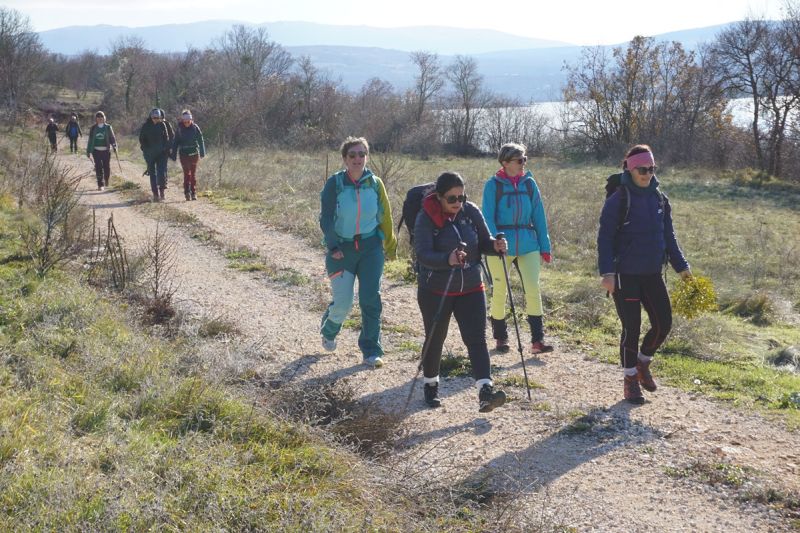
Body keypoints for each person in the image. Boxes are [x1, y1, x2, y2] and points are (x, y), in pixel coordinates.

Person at [597, 144, 691, 404]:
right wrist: (607, 273)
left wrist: (682, 268)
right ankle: (630, 380)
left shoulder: (660, 199)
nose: (648, 174)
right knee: (632, 327)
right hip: (624, 275)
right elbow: (605, 238)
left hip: (652, 273)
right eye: (642, 169)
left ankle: (642, 362)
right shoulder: (619, 199)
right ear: (630, 169)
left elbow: (669, 236)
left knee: (663, 323)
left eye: (652, 169)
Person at [415, 172, 508, 412]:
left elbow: (484, 242)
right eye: (452, 198)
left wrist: (495, 246)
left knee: (476, 339)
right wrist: (448, 259)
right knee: (436, 338)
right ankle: (431, 385)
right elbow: (423, 254)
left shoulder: (470, 211)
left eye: (461, 197)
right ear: (439, 197)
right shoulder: (426, 216)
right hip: (436, 289)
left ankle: (486, 392)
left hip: (471, 286)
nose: (458, 202)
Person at [319, 136, 397, 367]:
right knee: (343, 303)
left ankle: (371, 350)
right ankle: (329, 329)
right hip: (342, 250)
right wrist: (333, 245)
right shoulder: (335, 184)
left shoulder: (375, 183)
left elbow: (385, 216)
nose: (357, 159)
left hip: (370, 247)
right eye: (352, 155)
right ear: (345, 159)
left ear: (367, 157)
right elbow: (326, 218)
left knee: (370, 298)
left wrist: (390, 246)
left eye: (362, 154)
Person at [482, 143, 553, 355]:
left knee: (533, 288)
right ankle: (501, 337)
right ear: (505, 162)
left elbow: (539, 216)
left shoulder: (530, 184)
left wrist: (545, 246)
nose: (523, 163)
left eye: (525, 159)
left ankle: (537, 341)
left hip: (529, 244)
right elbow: (487, 217)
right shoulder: (492, 185)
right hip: (501, 245)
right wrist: (495, 241)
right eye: (519, 160)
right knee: (500, 290)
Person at [171, 110, 205, 201]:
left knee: (193, 174)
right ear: (182, 120)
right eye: (185, 121)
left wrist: (202, 151)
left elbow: (200, 140)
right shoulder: (179, 129)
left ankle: (193, 192)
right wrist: (173, 154)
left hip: (194, 154)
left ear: (191, 120)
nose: (186, 123)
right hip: (184, 154)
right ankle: (187, 192)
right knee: (187, 174)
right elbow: (175, 142)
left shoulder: (195, 128)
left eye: (188, 121)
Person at [139, 108, 171, 202]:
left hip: (161, 154)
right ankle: (155, 195)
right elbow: (141, 139)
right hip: (150, 154)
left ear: (160, 117)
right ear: (151, 117)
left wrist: (165, 149)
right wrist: (146, 150)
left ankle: (162, 192)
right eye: (154, 118)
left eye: (157, 118)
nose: (156, 119)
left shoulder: (163, 125)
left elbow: (167, 138)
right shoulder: (146, 126)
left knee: (161, 173)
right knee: (152, 174)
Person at [86, 111, 117, 191]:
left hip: (106, 150)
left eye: (101, 117)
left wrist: (114, 146)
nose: (100, 118)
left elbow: (112, 138)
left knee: (106, 167)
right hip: (96, 151)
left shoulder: (108, 127)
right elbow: (90, 140)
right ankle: (100, 184)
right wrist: (88, 151)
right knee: (98, 167)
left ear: (104, 118)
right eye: (98, 117)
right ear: (96, 118)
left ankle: (106, 179)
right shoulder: (93, 128)